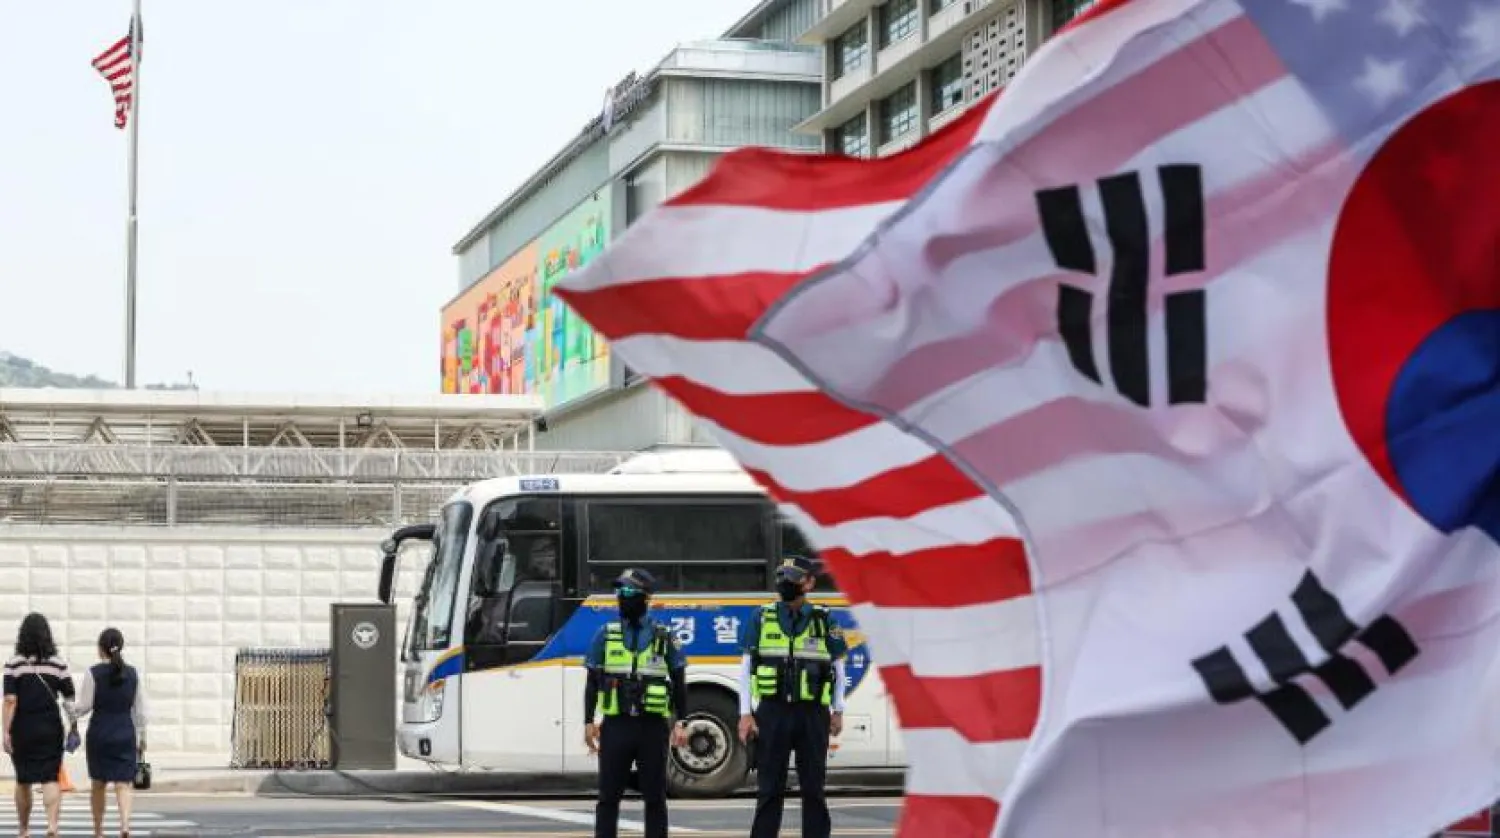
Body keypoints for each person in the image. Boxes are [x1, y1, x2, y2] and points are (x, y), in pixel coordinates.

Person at [737, 555, 848, 838]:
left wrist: (838, 710)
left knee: (813, 788)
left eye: (792, 577)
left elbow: (838, 667)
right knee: (769, 788)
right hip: (772, 712)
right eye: (781, 576)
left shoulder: (823, 619)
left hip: (812, 714)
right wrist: (745, 713)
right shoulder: (762, 617)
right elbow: (746, 667)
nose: (784, 582)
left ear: (809, 583)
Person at [583, 568, 690, 838]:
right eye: (619, 591)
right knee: (608, 797)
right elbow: (592, 681)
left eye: (629, 591)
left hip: (652, 728)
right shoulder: (605, 634)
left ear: (646, 597)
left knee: (655, 797)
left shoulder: (663, 636)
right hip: (616, 726)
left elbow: (679, 681)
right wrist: (588, 721)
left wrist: (681, 722)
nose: (622, 597)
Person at [2, 613, 76, 838]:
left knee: (23, 779)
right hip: (50, 727)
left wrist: (5, 731)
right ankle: (52, 826)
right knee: (50, 777)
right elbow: (69, 698)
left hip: (23, 728)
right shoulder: (58, 663)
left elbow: (10, 700)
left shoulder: (14, 663)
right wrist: (73, 726)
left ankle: (24, 829)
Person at [72, 628, 148, 838]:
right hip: (125, 733)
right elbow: (140, 711)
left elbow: (84, 706)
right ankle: (124, 826)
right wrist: (142, 737)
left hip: (100, 734)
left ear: (101, 649)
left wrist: (69, 710)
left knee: (98, 784)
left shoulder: (93, 673)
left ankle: (98, 831)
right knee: (123, 784)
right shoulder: (132, 674)